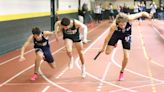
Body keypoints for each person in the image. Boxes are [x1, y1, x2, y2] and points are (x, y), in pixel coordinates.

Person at [100, 12, 152, 81]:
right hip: (116, 34)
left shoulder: (130, 18)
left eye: (124, 24)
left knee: (126, 57)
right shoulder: (113, 26)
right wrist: (102, 48)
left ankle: (122, 71)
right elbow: (107, 38)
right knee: (107, 52)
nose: (123, 26)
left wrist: (148, 15)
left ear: (126, 21)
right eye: (121, 25)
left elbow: (142, 13)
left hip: (126, 35)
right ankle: (115, 43)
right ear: (118, 23)